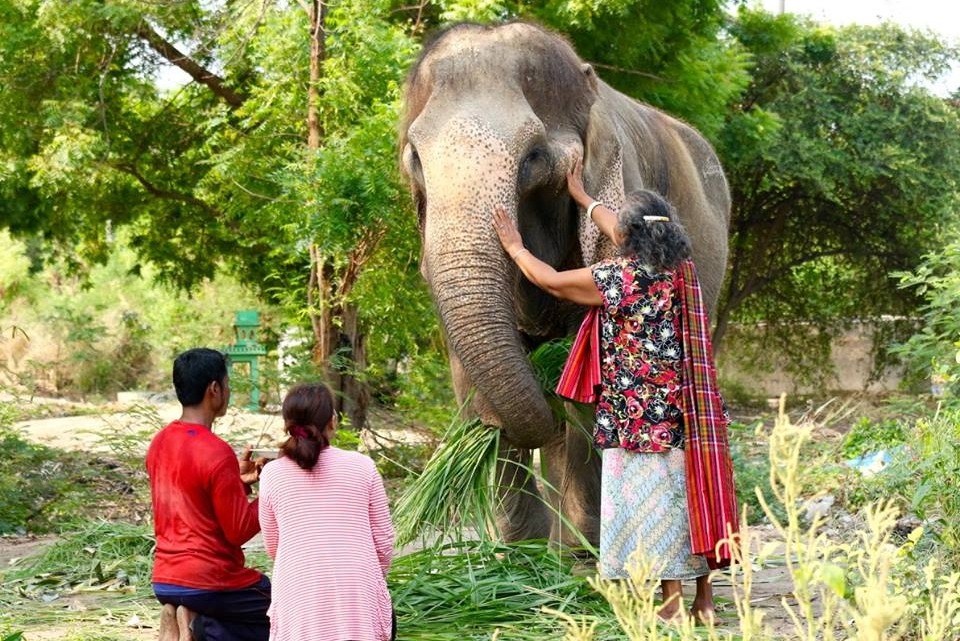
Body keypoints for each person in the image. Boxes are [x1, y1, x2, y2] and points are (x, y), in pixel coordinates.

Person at [492, 158, 738, 623]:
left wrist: (515, 246)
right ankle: (703, 601)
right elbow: (622, 224)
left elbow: (552, 282)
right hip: (693, 412)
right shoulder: (680, 270)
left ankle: (670, 607)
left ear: (628, 236)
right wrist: (586, 199)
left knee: (659, 506)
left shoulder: (622, 279)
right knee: (694, 496)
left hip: (643, 419)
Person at [147, 347, 270, 641]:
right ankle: (200, 625)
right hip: (209, 580)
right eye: (227, 385)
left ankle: (182, 618)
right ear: (214, 389)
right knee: (283, 611)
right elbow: (238, 531)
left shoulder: (159, 443)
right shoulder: (215, 450)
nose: (228, 391)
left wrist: (237, 485)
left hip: (164, 579)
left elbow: (195, 503)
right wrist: (274, 490)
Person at [258, 382, 395, 641]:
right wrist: (369, 577)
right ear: (332, 421)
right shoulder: (363, 467)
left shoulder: (272, 474)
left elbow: (274, 546)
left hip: (296, 591)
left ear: (288, 425)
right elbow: (384, 542)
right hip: (357, 592)